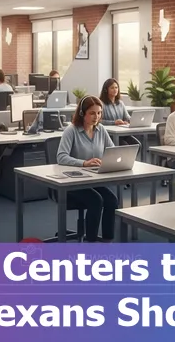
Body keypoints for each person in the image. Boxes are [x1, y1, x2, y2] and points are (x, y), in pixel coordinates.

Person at [56, 96, 119, 242]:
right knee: (96, 201)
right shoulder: (71, 131)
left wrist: (111, 159)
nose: (96, 117)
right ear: (82, 113)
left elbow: (112, 151)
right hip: (73, 182)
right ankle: (90, 243)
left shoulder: (101, 129)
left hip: (93, 179)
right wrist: (84, 163)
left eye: (99, 113)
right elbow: (61, 157)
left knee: (112, 201)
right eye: (92, 113)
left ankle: (107, 240)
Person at [99, 78, 141, 146]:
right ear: (106, 89)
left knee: (137, 145)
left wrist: (130, 121)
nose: (115, 89)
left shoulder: (120, 103)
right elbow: (99, 121)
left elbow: (127, 117)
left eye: (116, 87)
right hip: (109, 135)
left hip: (122, 133)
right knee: (126, 147)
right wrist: (114, 123)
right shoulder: (101, 104)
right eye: (112, 88)